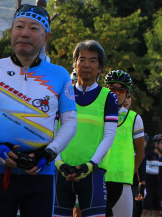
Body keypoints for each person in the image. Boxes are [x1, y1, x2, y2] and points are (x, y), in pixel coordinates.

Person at [0, 4, 77, 217]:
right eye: (19, 26)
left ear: (46, 37)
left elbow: (70, 122)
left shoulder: (59, 75)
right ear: (11, 32)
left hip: (41, 172)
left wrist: (49, 154)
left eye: (33, 28)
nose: (24, 33)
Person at [54, 40, 120, 217]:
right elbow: (52, 132)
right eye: (82, 59)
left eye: (93, 60)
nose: (87, 65)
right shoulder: (62, 94)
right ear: (75, 64)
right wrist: (59, 163)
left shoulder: (109, 98)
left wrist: (90, 165)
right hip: (61, 171)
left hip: (93, 172)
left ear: (100, 67)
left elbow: (109, 136)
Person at [102, 70, 146, 217]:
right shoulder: (96, 113)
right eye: (112, 88)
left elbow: (140, 152)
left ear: (127, 93)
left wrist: (130, 173)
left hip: (123, 182)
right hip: (97, 178)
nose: (116, 93)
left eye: (121, 90)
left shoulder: (134, 118)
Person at [143, 135, 162, 217]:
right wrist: (159, 172)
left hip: (159, 188)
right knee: (145, 211)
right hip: (149, 187)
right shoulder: (150, 155)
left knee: (157, 211)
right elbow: (145, 169)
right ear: (156, 144)